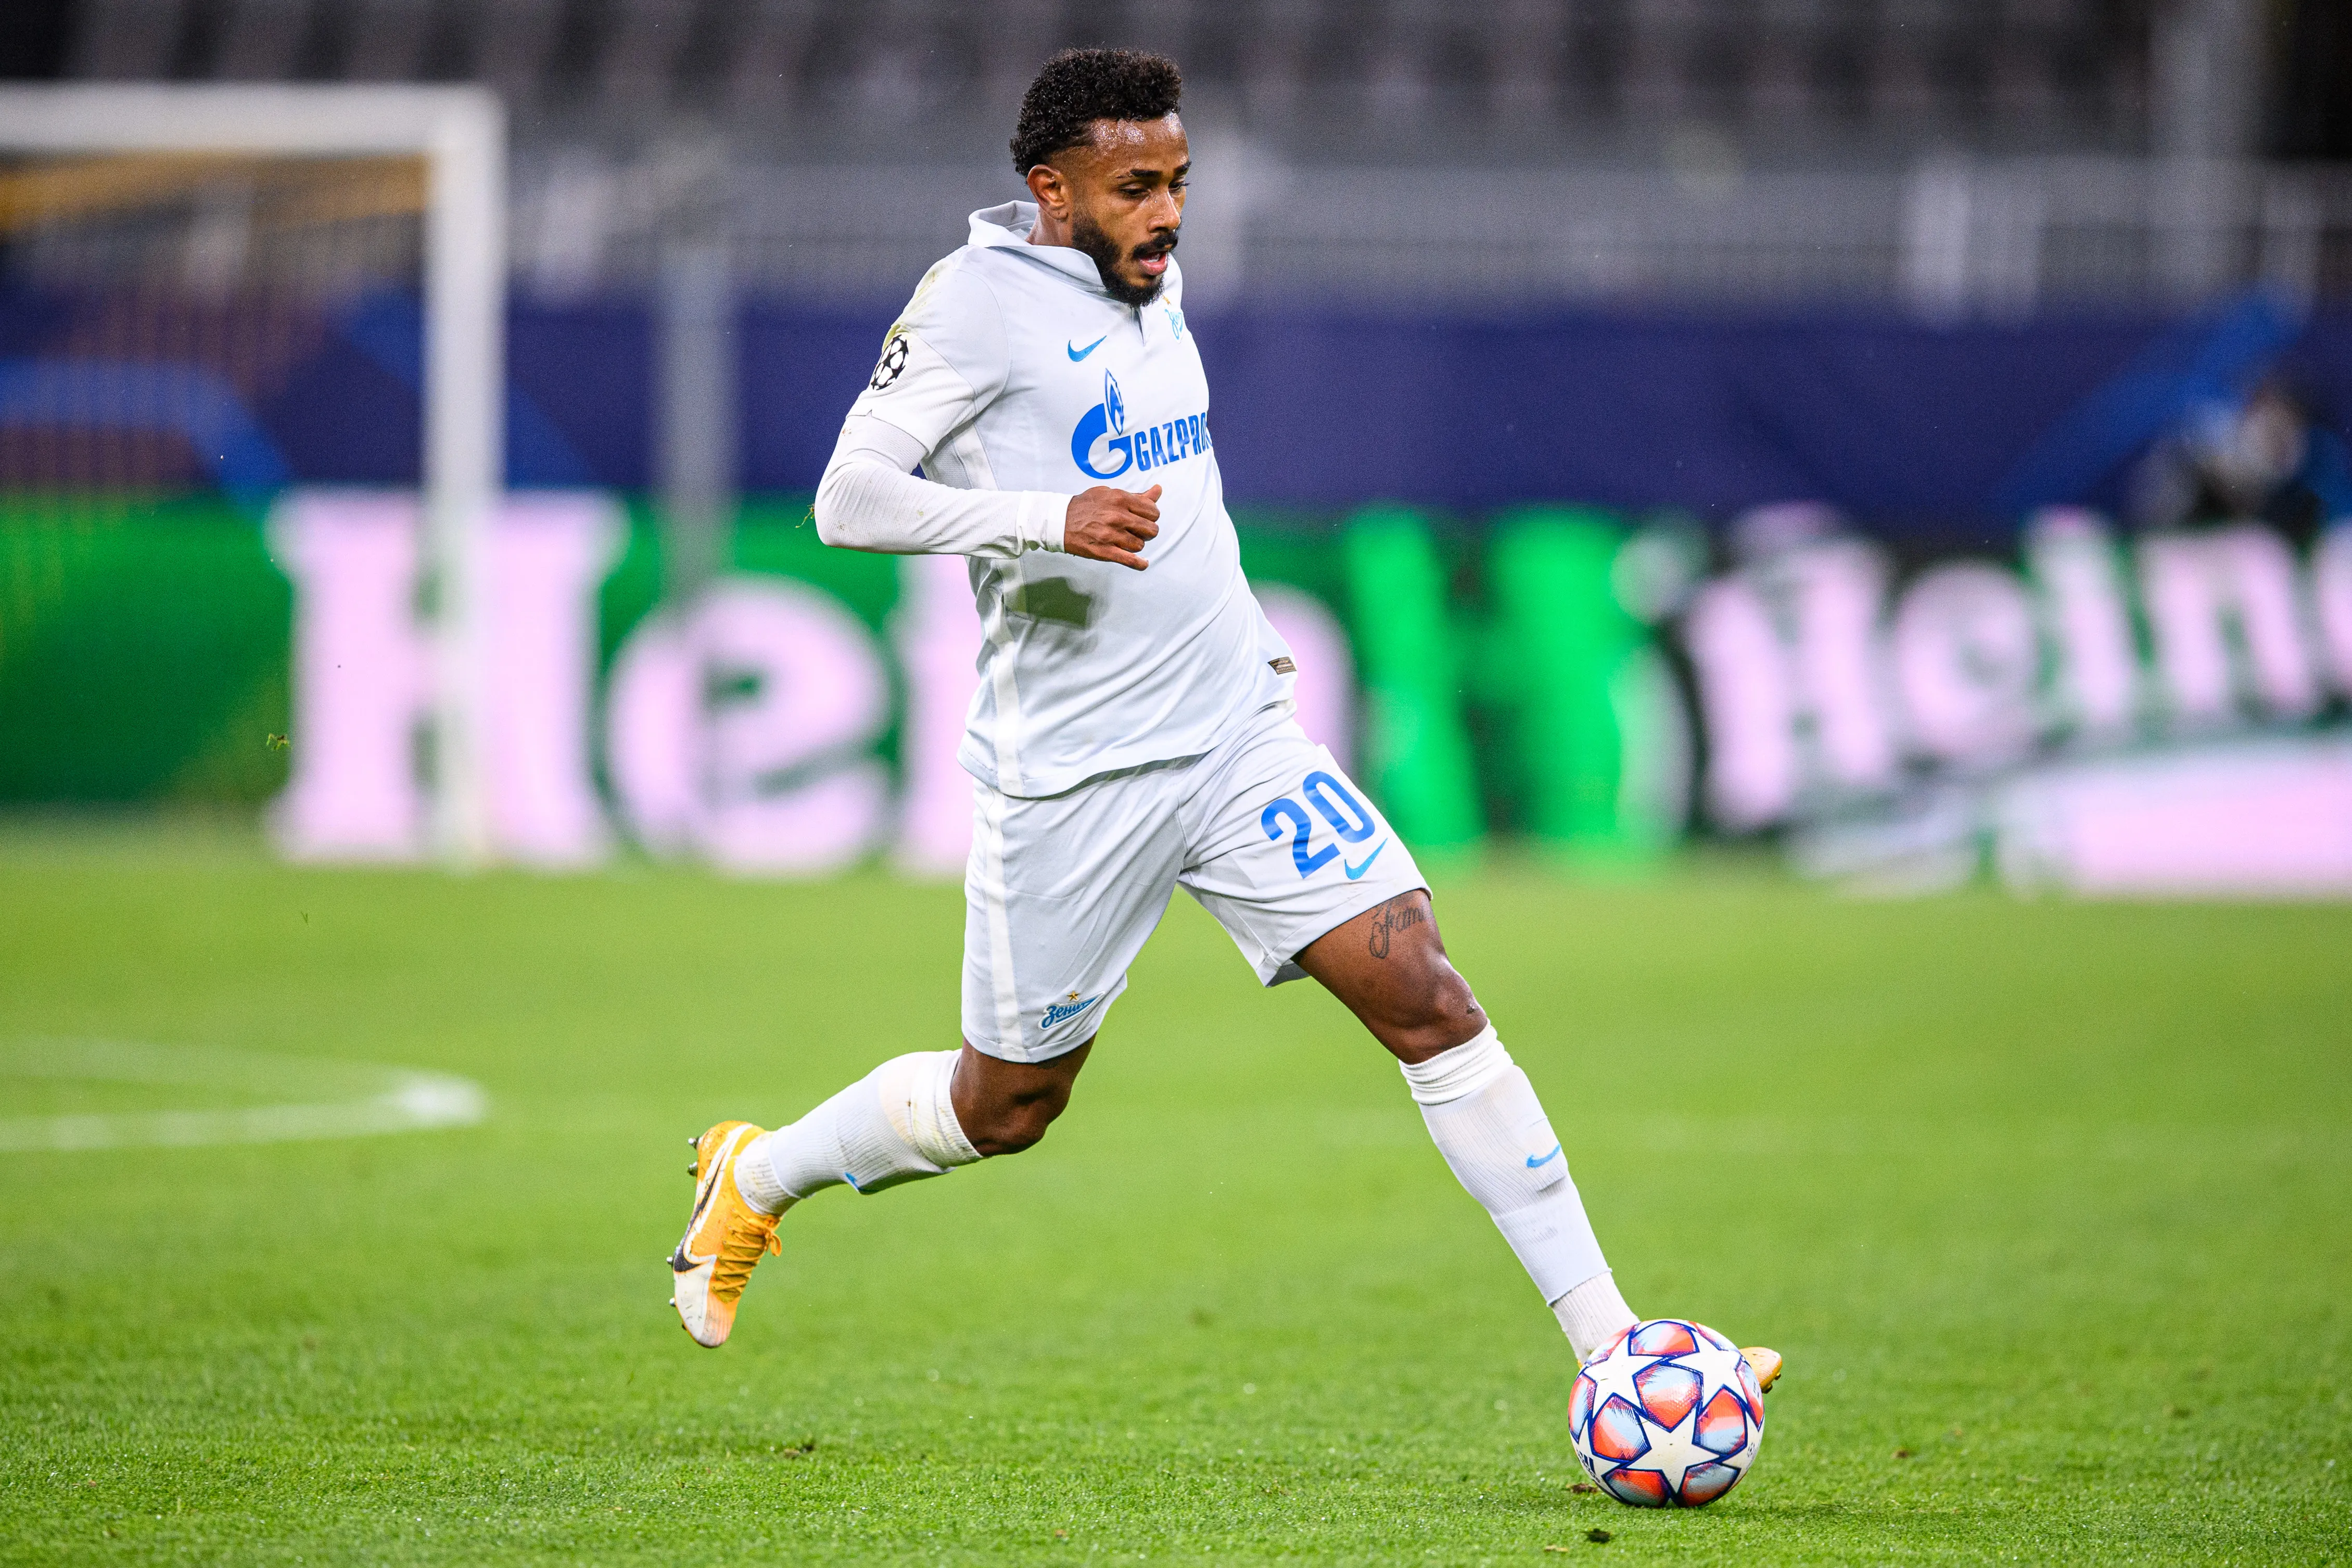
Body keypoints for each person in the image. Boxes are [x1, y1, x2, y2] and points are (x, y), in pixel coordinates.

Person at [666, 46, 1781, 1396]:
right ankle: (760, 1170)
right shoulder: (972, 307)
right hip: (1073, 776)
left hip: (1233, 737)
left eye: (1178, 180)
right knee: (1004, 1105)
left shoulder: (1147, 279)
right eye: (1135, 185)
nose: (1167, 210)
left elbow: (1175, 484)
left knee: (1426, 994)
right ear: (1050, 188)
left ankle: (1615, 1348)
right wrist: (1042, 519)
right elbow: (849, 498)